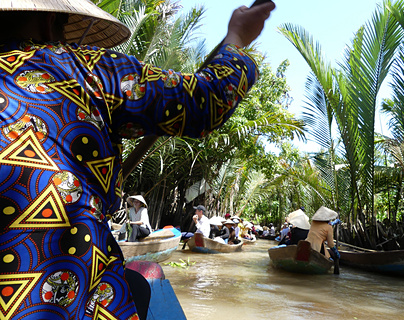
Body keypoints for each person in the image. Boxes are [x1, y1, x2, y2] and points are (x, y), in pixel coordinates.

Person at [0, 1, 276, 319]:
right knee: (131, 287)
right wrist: (238, 37)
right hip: (51, 297)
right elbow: (204, 101)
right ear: (50, 23)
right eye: (64, 29)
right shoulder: (82, 68)